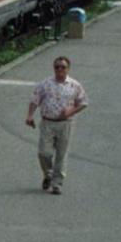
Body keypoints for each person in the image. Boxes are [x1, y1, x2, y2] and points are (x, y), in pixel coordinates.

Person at [25, 55, 88, 195]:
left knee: (61, 154)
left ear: (68, 69)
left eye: (63, 67)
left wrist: (71, 111)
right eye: (57, 67)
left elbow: (83, 103)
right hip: (47, 122)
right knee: (44, 153)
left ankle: (57, 183)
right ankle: (48, 174)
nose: (60, 69)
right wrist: (30, 115)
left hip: (65, 124)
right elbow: (35, 100)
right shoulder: (45, 84)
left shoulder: (75, 85)